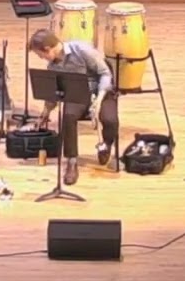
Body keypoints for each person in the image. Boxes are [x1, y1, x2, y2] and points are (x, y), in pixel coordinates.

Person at [28, 28, 119, 185]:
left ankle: (107, 144)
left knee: (110, 120)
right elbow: (54, 93)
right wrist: (45, 112)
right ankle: (71, 161)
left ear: (48, 49)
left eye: (40, 54)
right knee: (68, 117)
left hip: (101, 91)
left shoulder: (82, 50)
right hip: (76, 95)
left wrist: (99, 99)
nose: (42, 58)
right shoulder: (53, 66)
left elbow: (105, 73)